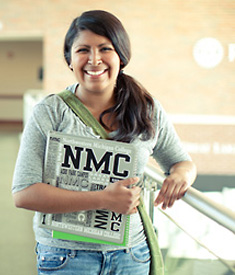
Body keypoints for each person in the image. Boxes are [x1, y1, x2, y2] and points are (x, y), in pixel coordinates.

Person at [12, 10, 197, 275]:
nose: (94, 59)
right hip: (66, 257)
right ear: (70, 59)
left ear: (121, 56)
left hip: (132, 255)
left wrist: (182, 175)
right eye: (83, 50)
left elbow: (181, 162)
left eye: (105, 48)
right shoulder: (50, 112)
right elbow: (24, 193)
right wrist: (102, 199)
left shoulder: (147, 109)